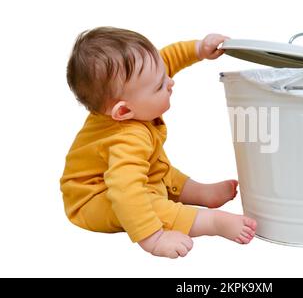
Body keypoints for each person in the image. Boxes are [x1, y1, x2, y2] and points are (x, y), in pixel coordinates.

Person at [60, 27, 257, 259]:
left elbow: (167, 58)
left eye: (164, 74)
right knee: (149, 203)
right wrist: (154, 239)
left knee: (162, 171)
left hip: (121, 178)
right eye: (159, 86)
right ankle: (211, 222)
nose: (170, 81)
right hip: (96, 197)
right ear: (123, 111)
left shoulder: (134, 94)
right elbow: (126, 192)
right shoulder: (127, 139)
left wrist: (199, 48)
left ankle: (199, 192)